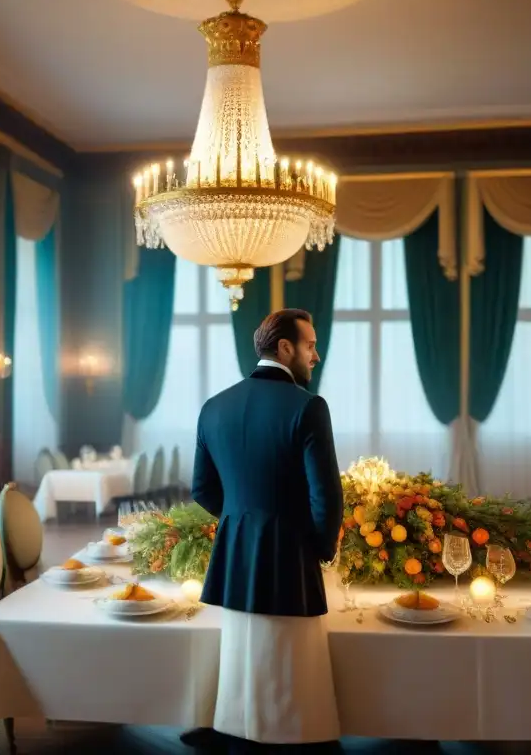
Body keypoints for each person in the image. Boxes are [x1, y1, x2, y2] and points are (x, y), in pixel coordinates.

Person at [189, 309, 344, 751]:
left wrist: (242, 522)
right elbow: (327, 496)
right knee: (291, 667)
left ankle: (241, 731)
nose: (316, 355)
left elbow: (202, 489)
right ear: (285, 348)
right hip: (291, 554)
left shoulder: (214, 406)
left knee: (243, 656)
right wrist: (319, 548)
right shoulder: (309, 407)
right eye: (311, 344)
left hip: (236, 551)